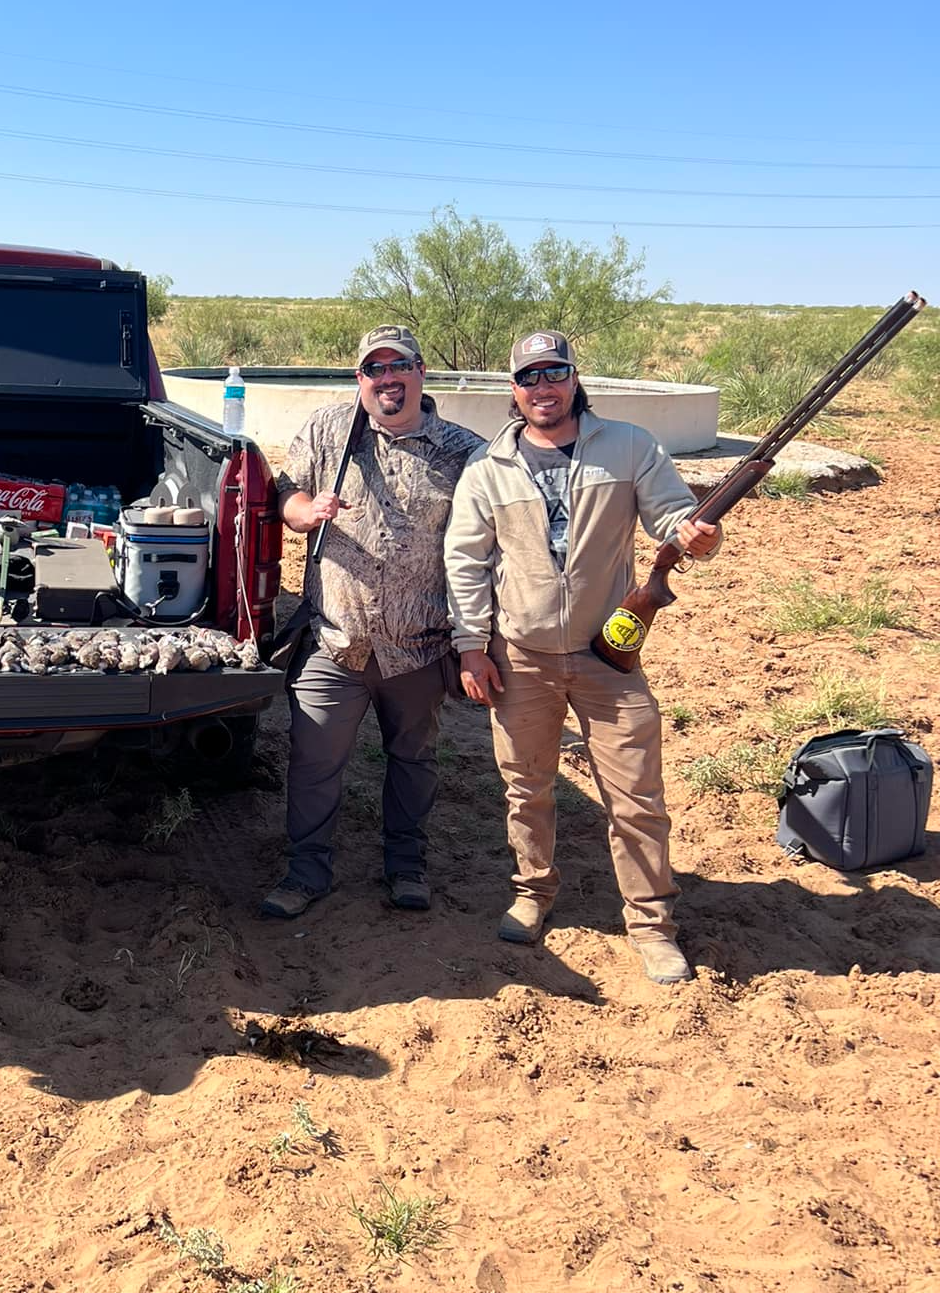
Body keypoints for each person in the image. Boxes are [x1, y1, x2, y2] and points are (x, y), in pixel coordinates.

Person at [444, 330, 719, 984]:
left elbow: (674, 518)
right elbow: (465, 563)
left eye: (555, 373)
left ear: (574, 379)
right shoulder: (488, 470)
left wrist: (696, 536)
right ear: (514, 390)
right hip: (520, 657)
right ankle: (533, 894)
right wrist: (471, 646)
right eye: (530, 377)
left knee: (637, 797)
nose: (543, 387)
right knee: (526, 789)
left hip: (608, 655)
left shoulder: (628, 446)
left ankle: (652, 924)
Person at [262, 325, 483, 918]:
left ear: (421, 372)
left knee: (413, 761)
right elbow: (288, 493)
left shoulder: (464, 451)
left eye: (399, 366)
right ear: (361, 379)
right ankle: (307, 871)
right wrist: (306, 513)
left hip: (418, 645)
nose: (387, 379)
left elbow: (488, 544)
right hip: (336, 638)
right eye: (373, 370)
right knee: (312, 760)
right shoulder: (328, 429)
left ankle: (406, 866)